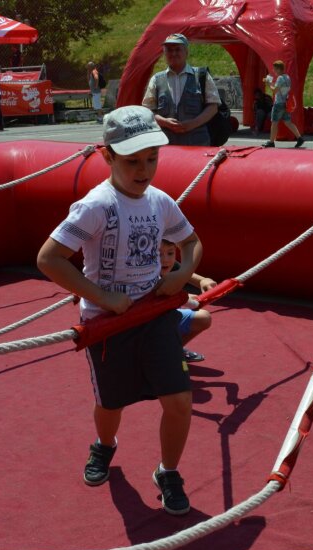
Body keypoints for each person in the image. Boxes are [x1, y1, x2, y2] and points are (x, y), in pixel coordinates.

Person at [35, 106, 203, 515]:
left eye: (152, 158)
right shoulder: (97, 205)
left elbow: (193, 244)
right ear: (107, 156)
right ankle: (104, 445)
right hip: (107, 323)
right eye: (132, 161)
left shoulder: (160, 202)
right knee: (111, 404)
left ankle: (168, 471)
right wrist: (104, 297)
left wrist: (181, 274)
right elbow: (49, 258)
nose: (144, 170)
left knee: (180, 400)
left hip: (155, 315)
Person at [142, 33, 220, 146]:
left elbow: (213, 107)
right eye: (169, 50)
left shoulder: (201, 76)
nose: (173, 53)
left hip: (197, 144)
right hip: (167, 146)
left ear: (186, 52)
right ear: (164, 53)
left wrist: (192, 124)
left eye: (178, 49)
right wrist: (165, 122)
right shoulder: (156, 79)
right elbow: (147, 111)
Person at [158, 239, 217, 363]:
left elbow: (187, 274)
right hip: (145, 324)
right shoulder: (143, 274)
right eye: (159, 254)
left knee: (203, 318)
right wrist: (185, 299)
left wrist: (203, 280)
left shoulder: (170, 264)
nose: (165, 259)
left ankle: (173, 349)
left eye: (170, 253)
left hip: (165, 318)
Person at [263, 60, 305, 148]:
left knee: (274, 122)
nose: (274, 71)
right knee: (288, 122)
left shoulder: (280, 78)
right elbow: (279, 87)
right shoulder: (287, 77)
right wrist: (271, 83)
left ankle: (271, 142)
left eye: (274, 69)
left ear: (278, 69)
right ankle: (299, 137)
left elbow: (274, 90)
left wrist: (268, 83)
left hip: (278, 103)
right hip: (286, 103)